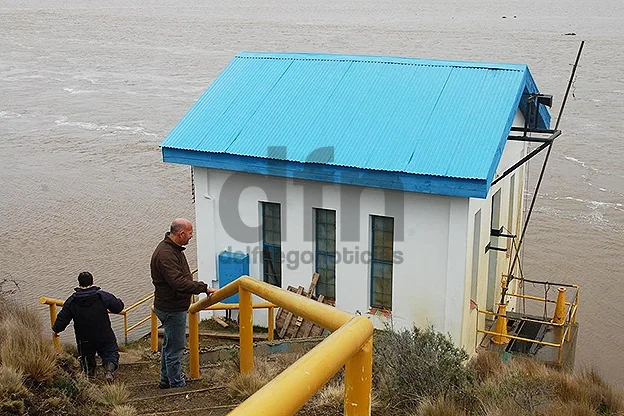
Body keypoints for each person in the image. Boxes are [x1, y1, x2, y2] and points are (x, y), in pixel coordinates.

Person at [151, 218, 216, 389]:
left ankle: (166, 380)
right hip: (172, 307)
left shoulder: (170, 250)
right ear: (180, 234)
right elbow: (178, 283)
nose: (191, 236)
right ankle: (176, 383)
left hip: (167, 304)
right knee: (175, 347)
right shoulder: (167, 254)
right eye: (189, 233)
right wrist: (203, 288)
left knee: (169, 345)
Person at [53, 271, 124, 383]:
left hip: (84, 336)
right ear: (92, 281)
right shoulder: (102, 296)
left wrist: (56, 329)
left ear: (79, 283)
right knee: (110, 352)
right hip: (103, 334)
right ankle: (109, 371)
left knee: (86, 358)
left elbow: (62, 319)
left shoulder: (72, 301)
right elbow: (118, 307)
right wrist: (118, 301)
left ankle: (90, 380)